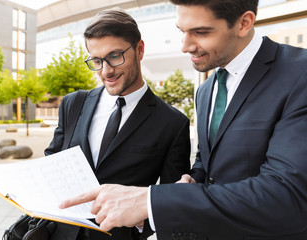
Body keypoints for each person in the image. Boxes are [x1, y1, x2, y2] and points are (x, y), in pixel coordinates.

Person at [59, 0, 307, 239]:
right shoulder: (206, 89)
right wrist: (190, 182)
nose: (185, 46)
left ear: (244, 23)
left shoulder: (299, 74)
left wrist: (151, 201)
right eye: (182, 31)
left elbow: (288, 195)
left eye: (200, 31)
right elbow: (208, 162)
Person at [45, 7, 191, 240]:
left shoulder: (173, 123)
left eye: (114, 56)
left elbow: (168, 202)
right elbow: (52, 164)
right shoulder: (73, 103)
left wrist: (143, 224)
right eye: (96, 60)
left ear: (139, 49)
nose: (106, 71)